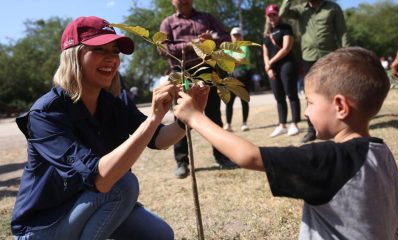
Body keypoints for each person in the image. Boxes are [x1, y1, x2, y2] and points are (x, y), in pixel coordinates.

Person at [11, 16, 209, 240]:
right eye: (99, 49)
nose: (110, 59)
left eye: (114, 51)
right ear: (73, 55)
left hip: (89, 204)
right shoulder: (46, 113)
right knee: (122, 184)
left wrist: (190, 116)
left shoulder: (113, 102)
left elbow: (159, 139)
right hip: (45, 225)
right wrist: (153, 118)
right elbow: (101, 179)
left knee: (159, 235)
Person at [174, 46, 398, 239]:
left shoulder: (328, 159)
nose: (306, 113)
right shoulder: (383, 154)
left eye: (310, 102)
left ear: (340, 107)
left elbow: (249, 156)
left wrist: (195, 117)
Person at [160, 0, 236, 179]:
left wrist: (213, 41)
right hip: (181, 73)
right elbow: (164, 49)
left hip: (206, 71)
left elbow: (225, 37)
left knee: (214, 115)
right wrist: (191, 44)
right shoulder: (168, 23)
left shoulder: (207, 18)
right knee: (180, 116)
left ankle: (222, 156)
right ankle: (182, 162)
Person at [280, 0, 349, 143]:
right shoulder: (300, 10)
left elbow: (342, 32)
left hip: (329, 55)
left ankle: (338, 126)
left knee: (334, 91)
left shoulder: (332, 7)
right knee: (310, 94)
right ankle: (312, 130)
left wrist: (346, 54)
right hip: (308, 57)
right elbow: (282, 14)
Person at [263, 4, 300, 137]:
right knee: (279, 98)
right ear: (267, 17)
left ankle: (295, 124)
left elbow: (286, 48)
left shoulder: (286, 28)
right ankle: (282, 125)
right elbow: (265, 54)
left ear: (279, 15)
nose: (272, 17)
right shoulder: (267, 34)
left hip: (286, 64)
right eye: (270, 15)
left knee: (291, 94)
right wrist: (268, 68)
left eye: (274, 14)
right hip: (273, 69)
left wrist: (271, 63)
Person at [223, 27, 252, 132]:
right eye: (234, 35)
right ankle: (228, 125)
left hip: (244, 76)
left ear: (241, 36)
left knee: (244, 100)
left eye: (238, 35)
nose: (236, 37)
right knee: (229, 102)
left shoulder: (244, 47)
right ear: (231, 36)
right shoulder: (227, 48)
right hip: (231, 77)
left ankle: (244, 123)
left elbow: (242, 59)